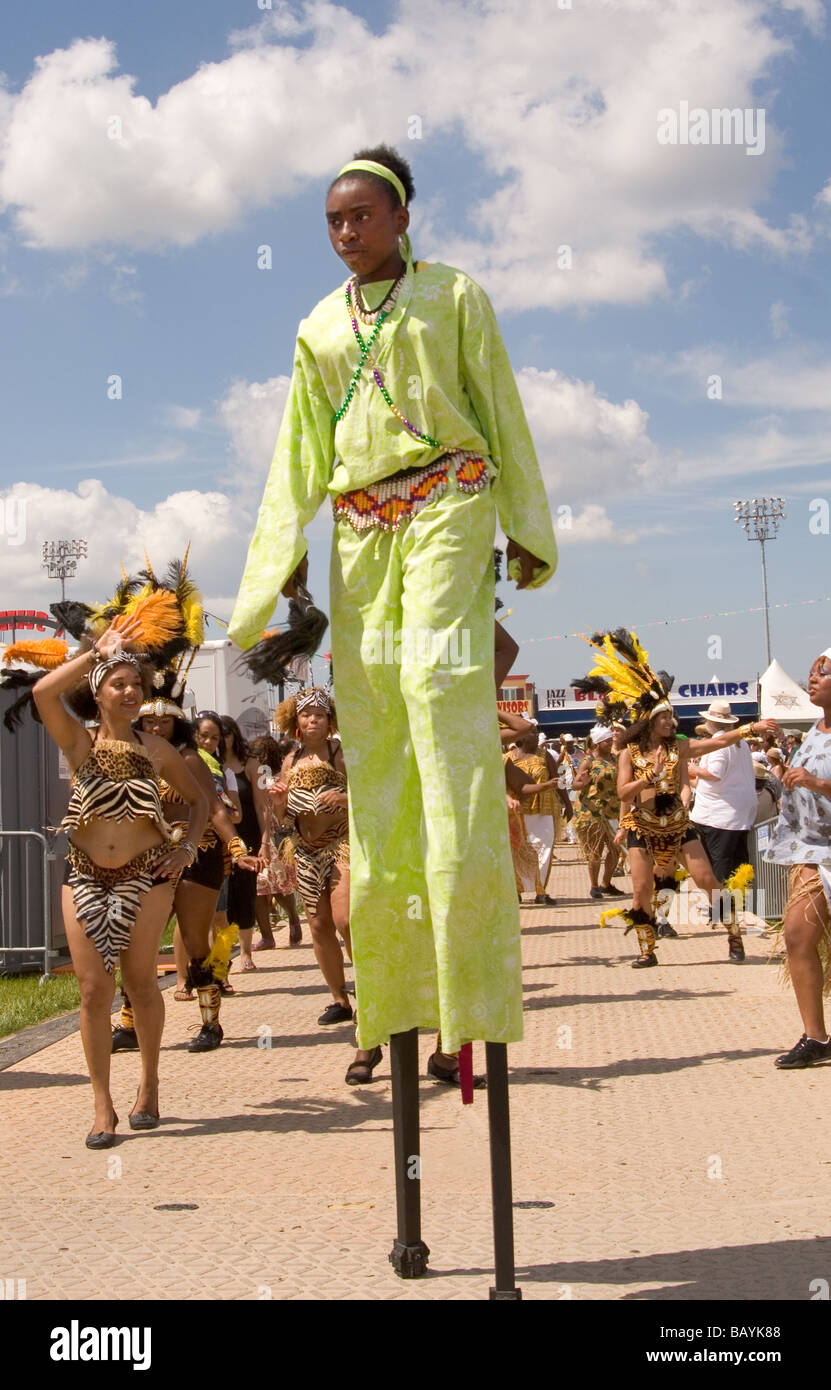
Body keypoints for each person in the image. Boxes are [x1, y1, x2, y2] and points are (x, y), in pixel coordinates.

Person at [228, 144, 557, 1072]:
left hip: (451, 498)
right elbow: (297, 449)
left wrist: (526, 522)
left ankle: (473, 977)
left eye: (361, 216)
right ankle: (405, 986)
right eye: (332, 220)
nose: (345, 233)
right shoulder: (316, 327)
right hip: (362, 521)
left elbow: (500, 405)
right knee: (372, 720)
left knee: (434, 682)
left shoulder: (453, 296)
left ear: (401, 217)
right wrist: (280, 559)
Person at [32, 620, 208, 1145]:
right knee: (92, 990)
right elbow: (43, 692)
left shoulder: (158, 752)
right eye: (120, 684)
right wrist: (95, 653)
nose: (132, 693)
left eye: (137, 685)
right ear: (99, 693)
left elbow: (199, 802)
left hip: (146, 877)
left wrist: (184, 848)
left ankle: (149, 1086)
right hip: (84, 874)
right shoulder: (79, 743)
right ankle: (102, 1105)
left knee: (139, 982)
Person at [136, 686, 260, 1050]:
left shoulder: (189, 759)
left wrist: (236, 847)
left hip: (197, 855)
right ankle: (129, 1024)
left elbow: (215, 808)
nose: (156, 728)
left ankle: (210, 1024)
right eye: (149, 721)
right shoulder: (131, 757)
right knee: (137, 943)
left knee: (194, 939)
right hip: (149, 859)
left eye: (165, 722)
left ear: (178, 725)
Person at [765, 650, 831, 1067]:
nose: (812, 679)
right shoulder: (815, 727)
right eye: (810, 671)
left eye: (821, 673)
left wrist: (815, 782)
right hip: (811, 850)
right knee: (797, 935)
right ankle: (816, 1037)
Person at [220, 715, 272, 972]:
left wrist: (265, 841)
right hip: (218, 838)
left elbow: (264, 806)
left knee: (245, 893)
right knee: (221, 900)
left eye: (226, 733)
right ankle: (222, 954)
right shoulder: (208, 764)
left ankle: (244, 952)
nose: (222, 739)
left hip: (248, 835)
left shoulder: (252, 764)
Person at [688, 698, 758, 882]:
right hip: (737, 812)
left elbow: (715, 773)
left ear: (711, 722)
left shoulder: (719, 742)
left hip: (719, 815)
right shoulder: (740, 742)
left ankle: (720, 907)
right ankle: (735, 905)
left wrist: (693, 770)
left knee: (720, 863)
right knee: (737, 862)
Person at [248, 734, 303, 947]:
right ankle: (287, 923)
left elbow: (263, 805)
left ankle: (275, 931)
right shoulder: (279, 774)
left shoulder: (263, 774)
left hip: (269, 835)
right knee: (273, 886)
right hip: (276, 834)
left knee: (268, 887)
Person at [503, 728, 561, 904]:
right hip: (519, 809)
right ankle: (517, 888)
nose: (535, 736)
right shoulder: (507, 758)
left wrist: (565, 802)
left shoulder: (545, 756)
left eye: (536, 733)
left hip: (545, 807)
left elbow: (556, 780)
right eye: (532, 733)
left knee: (545, 848)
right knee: (519, 849)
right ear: (521, 736)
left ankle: (540, 890)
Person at [572, 725, 626, 902]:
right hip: (592, 811)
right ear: (597, 743)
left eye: (611, 740)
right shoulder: (588, 761)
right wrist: (584, 782)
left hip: (612, 811)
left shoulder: (616, 760)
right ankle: (594, 886)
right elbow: (575, 785)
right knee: (595, 851)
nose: (610, 743)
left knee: (615, 849)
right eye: (607, 741)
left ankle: (606, 883)